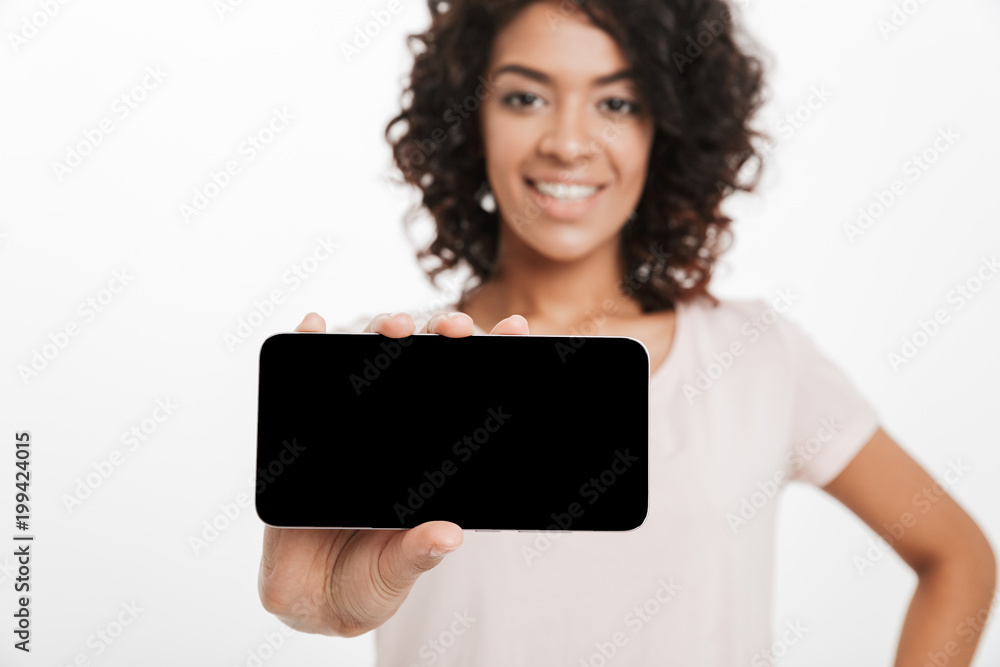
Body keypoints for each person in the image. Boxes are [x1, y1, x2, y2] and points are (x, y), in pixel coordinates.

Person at [258, 0, 997, 663]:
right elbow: (322, 597)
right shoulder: (388, 367)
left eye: (617, 101)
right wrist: (320, 608)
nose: (569, 142)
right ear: (470, 116)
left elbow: (959, 557)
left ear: (666, 130)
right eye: (524, 95)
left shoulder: (756, 356)